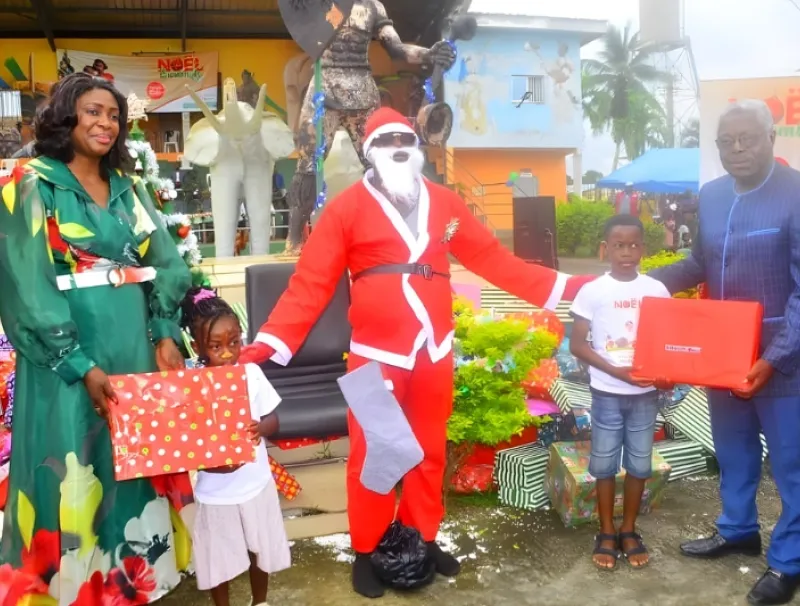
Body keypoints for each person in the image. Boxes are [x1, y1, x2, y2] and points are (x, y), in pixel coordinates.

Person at [240, 106, 586, 598]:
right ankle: (366, 549)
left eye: (406, 139)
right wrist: (269, 342)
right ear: (370, 152)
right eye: (387, 141)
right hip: (373, 354)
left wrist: (569, 288)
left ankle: (422, 537)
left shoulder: (445, 202)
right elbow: (311, 283)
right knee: (373, 456)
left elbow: (494, 260)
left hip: (434, 351)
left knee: (428, 451)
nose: (398, 147)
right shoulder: (344, 208)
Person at [0, 72, 193, 603]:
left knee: (131, 460)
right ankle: (72, 586)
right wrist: (78, 362)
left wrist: (164, 332)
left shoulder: (130, 189)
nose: (105, 123)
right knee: (73, 462)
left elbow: (168, 263)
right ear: (66, 117)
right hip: (64, 357)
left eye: (113, 116)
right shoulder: (30, 183)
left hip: (133, 347)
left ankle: (130, 583)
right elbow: (26, 282)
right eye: (93, 112)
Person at [648, 99, 800, 606]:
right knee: (733, 451)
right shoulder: (711, 196)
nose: (736, 149)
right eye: (726, 142)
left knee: (792, 464)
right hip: (722, 355)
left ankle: (789, 560)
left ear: (771, 137)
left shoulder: (796, 193)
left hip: (784, 360)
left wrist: (772, 358)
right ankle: (738, 529)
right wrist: (640, 285)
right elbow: (699, 262)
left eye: (747, 139)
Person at [282, 0, 456, 255]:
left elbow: (397, 49)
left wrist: (429, 54)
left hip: (362, 90)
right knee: (308, 166)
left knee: (380, 164)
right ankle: (294, 240)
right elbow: (309, 28)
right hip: (324, 89)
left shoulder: (374, 7)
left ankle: (395, 233)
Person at [569, 215, 671, 571]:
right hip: (607, 393)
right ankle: (606, 532)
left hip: (645, 395)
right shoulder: (593, 291)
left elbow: (668, 341)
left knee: (640, 464)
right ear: (605, 249)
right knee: (604, 464)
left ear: (643, 248)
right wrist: (616, 372)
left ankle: (629, 529)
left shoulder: (657, 290)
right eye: (618, 245)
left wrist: (668, 374)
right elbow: (577, 345)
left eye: (633, 245)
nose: (626, 252)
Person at [180, 287, 291, 606]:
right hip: (216, 493)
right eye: (216, 346)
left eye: (234, 342)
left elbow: (273, 418)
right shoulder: (192, 386)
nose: (228, 353)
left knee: (260, 550)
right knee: (218, 560)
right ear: (197, 346)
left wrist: (261, 428)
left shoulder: (251, 374)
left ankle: (260, 601)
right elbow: (186, 440)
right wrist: (205, 459)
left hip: (255, 484)